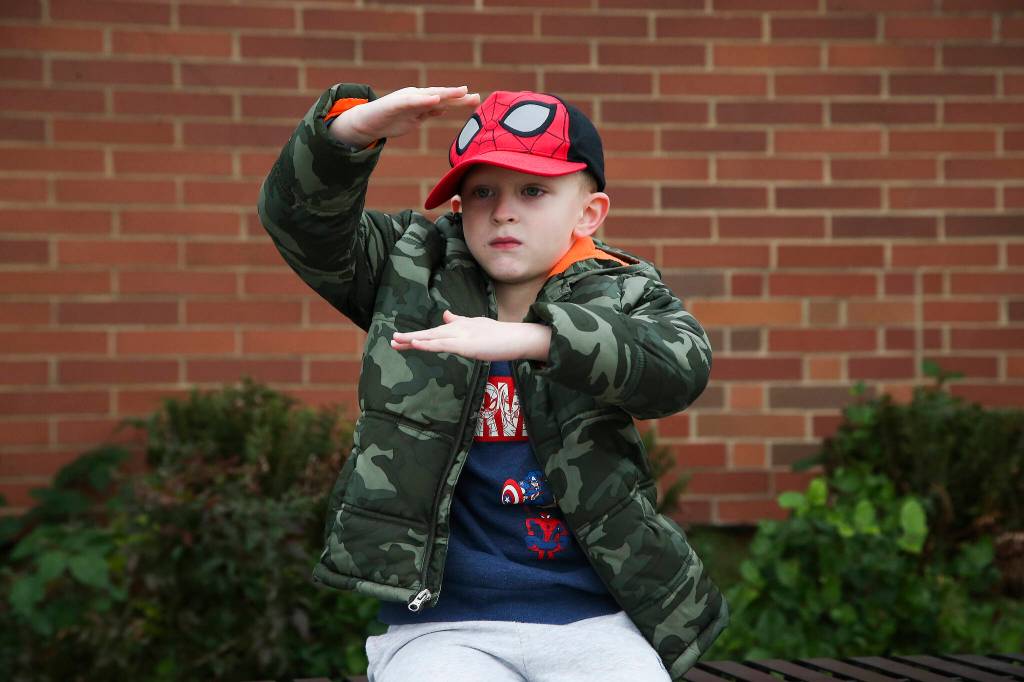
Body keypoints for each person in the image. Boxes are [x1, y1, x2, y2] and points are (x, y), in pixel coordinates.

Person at [258, 83, 729, 681]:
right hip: (441, 626)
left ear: (588, 212)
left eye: (533, 190)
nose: (504, 210)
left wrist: (540, 339)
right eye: (482, 191)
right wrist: (352, 132)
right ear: (458, 206)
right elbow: (298, 222)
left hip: (594, 619)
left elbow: (680, 366)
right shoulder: (410, 268)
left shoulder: (621, 288)